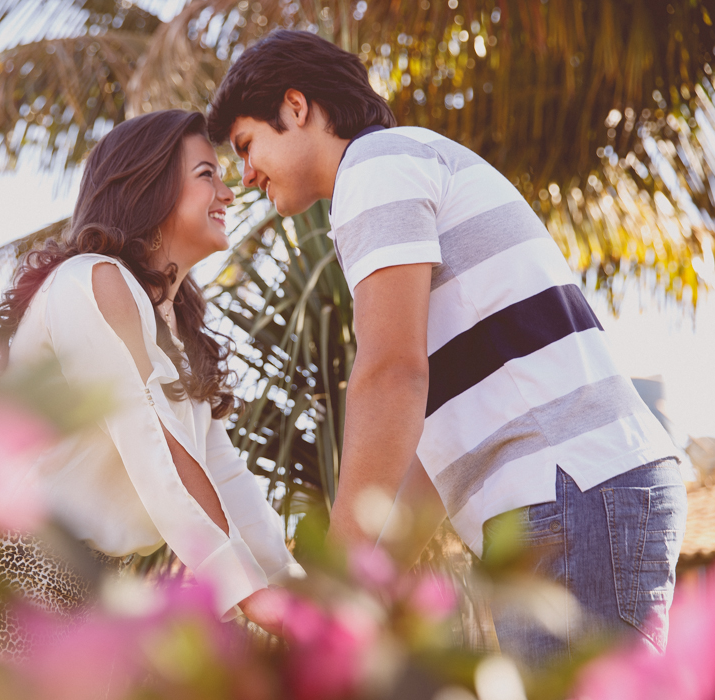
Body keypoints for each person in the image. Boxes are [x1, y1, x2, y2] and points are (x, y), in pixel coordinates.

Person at [206, 29, 686, 666]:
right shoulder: (403, 162)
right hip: (578, 493)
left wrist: (334, 575)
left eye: (246, 145)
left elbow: (390, 376)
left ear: (295, 107)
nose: (244, 174)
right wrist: (370, 583)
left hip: (569, 490)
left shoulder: (373, 168)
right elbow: (430, 429)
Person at [0, 109, 303, 657]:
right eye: (207, 175)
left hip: (78, 584)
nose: (229, 191)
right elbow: (150, 437)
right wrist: (247, 592)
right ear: (149, 187)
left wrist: (299, 592)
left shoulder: (174, 335)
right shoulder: (91, 281)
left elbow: (224, 476)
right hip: (2, 566)